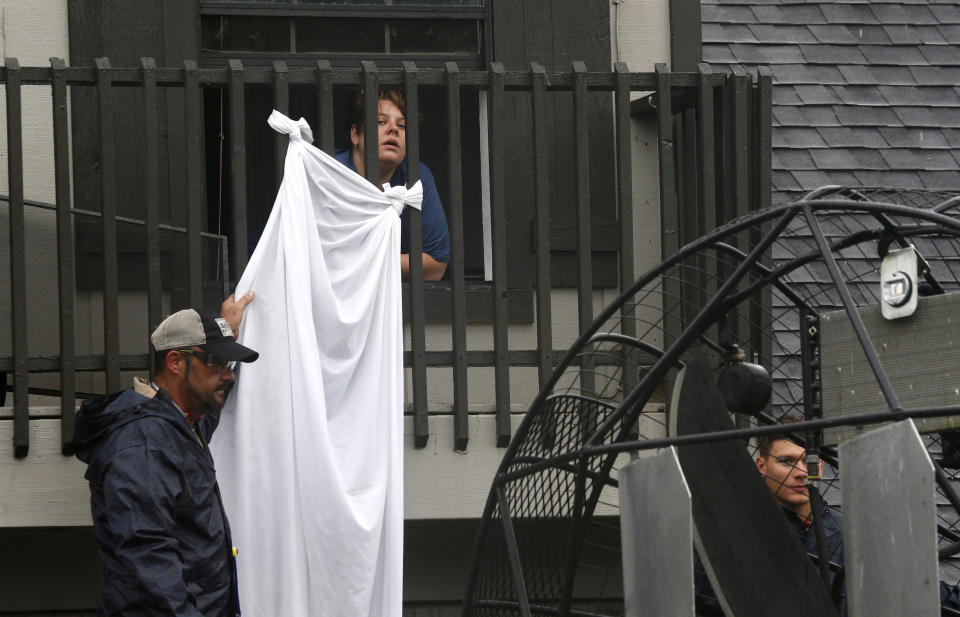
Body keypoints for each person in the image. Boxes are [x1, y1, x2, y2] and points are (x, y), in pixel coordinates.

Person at [74, 293, 257, 617]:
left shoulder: (181, 423)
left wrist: (226, 329)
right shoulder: (143, 444)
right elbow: (149, 563)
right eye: (216, 362)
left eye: (229, 364)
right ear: (175, 362)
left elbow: (209, 409)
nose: (228, 375)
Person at [335, 87, 451, 281]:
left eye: (402, 125)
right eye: (380, 122)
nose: (393, 129)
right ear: (355, 134)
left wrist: (363, 263)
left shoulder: (416, 177)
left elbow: (436, 265)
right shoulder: (330, 172)